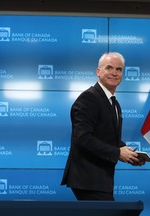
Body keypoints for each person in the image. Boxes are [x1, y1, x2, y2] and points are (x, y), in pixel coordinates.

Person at [61, 52, 145, 201]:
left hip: (101, 179)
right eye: (109, 68)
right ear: (98, 72)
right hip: (87, 179)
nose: (114, 73)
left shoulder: (114, 102)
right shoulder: (89, 98)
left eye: (119, 69)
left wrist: (130, 154)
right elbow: (82, 137)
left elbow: (108, 138)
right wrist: (117, 153)